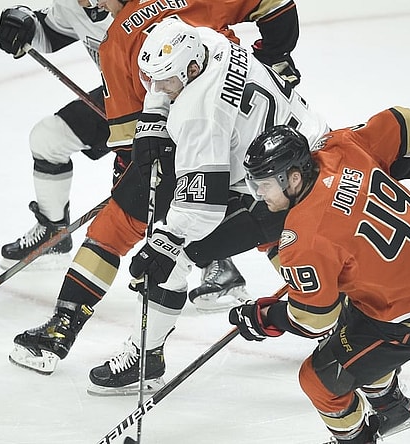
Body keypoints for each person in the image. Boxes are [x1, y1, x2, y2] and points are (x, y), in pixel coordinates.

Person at [8, 0, 304, 381]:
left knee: (135, 237)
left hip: (207, 149)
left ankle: (77, 332)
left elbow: (138, 144)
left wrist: (134, 190)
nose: (91, 5)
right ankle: (329, 303)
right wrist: (276, 55)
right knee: (280, 219)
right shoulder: (209, 37)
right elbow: (272, 5)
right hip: (276, 141)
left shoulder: (119, 44)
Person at [91, 18, 329, 396]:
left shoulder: (199, 114)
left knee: (174, 260)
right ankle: (339, 317)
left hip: (286, 191)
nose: (157, 88)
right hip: (309, 153)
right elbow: (166, 78)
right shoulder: (206, 40)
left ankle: (146, 359)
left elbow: (202, 207)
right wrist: (154, 114)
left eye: (165, 83)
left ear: (190, 70)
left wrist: (166, 240)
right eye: (152, 80)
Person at [227, 117, 410, 443]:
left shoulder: (304, 238)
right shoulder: (342, 146)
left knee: (321, 379)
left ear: (293, 178)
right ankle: (391, 407)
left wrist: (265, 316)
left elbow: (314, 321)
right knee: (353, 331)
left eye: (265, 184)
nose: (259, 194)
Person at [0, 0, 114, 270]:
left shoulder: (151, 7)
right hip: (120, 96)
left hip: (176, 100)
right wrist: (24, 23)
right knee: (48, 139)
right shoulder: (75, 5)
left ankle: (209, 257)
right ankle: (53, 232)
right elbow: (49, 32)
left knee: (179, 176)